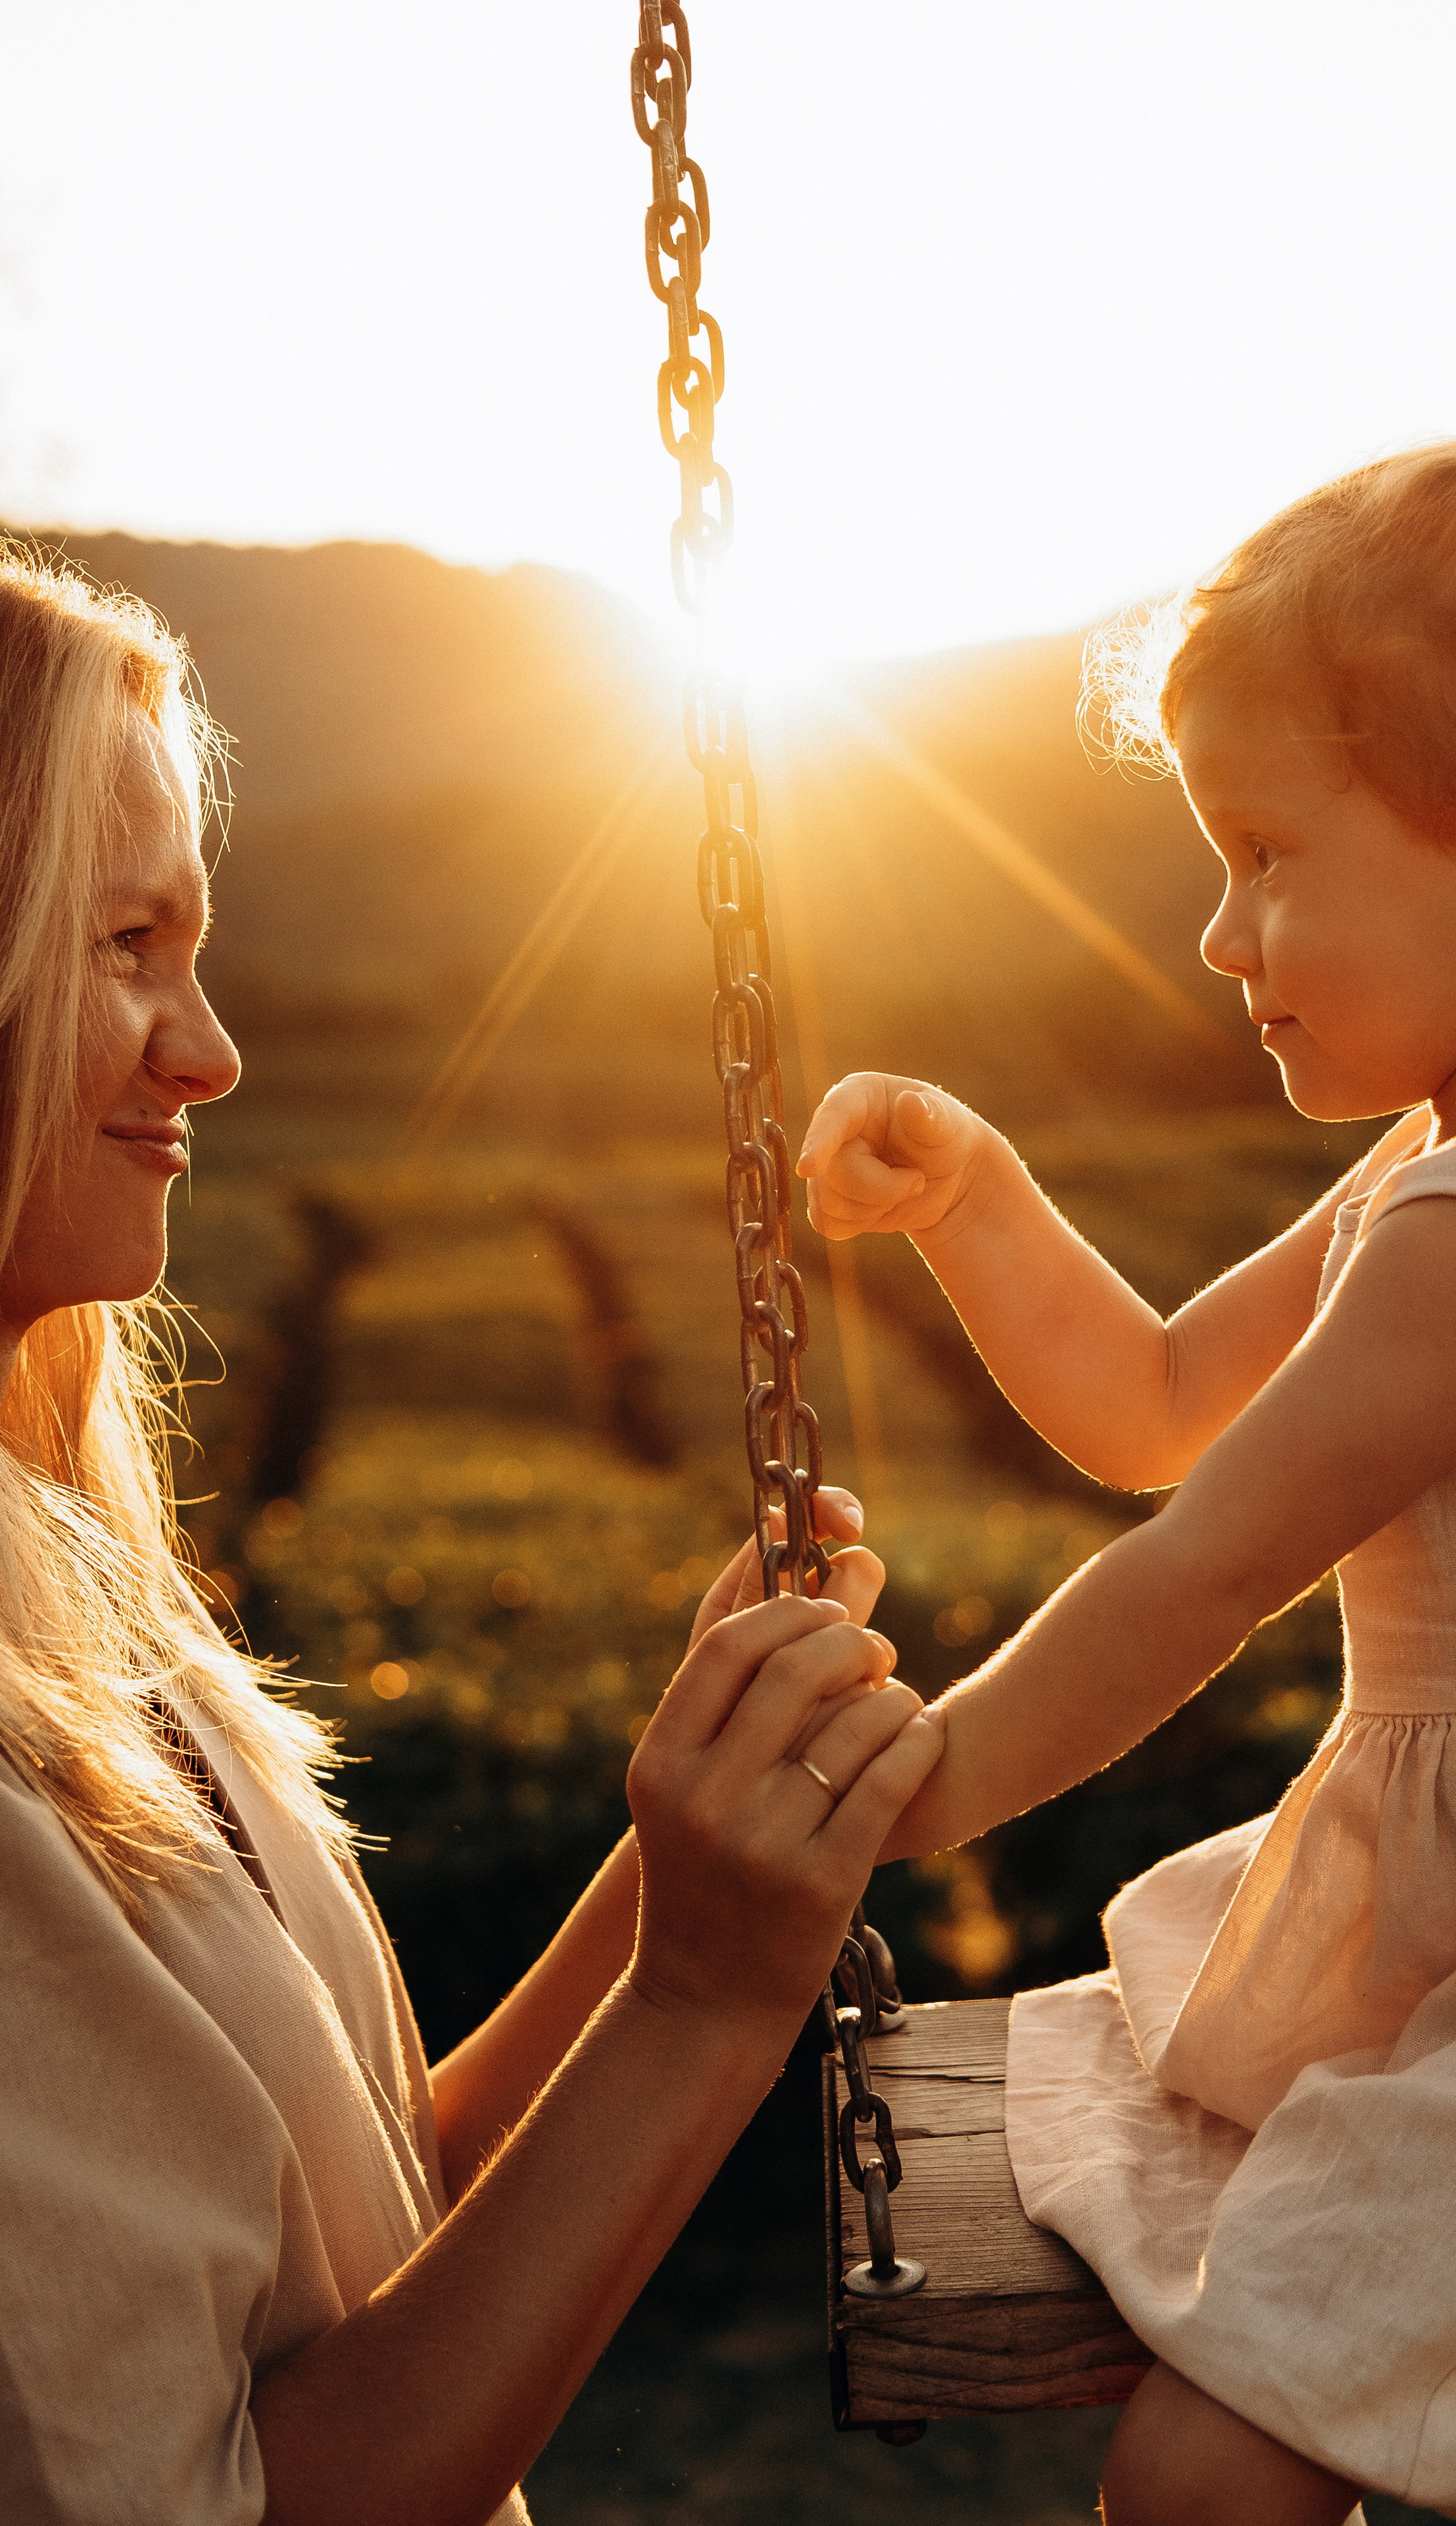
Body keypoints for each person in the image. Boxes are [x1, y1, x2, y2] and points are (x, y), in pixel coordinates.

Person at [0, 545, 944, 2526]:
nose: (212, 1049)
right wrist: (696, 2004)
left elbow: (359, 2214)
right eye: (124, 946)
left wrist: (674, 1877)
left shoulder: (75, 1576)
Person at [798, 435, 1456, 2526]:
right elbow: (1165, 1399)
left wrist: (905, 1798)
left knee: (1203, 2479)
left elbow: (1198, 1569)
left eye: (1266, 852)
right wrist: (983, 1198)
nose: (1221, 930)